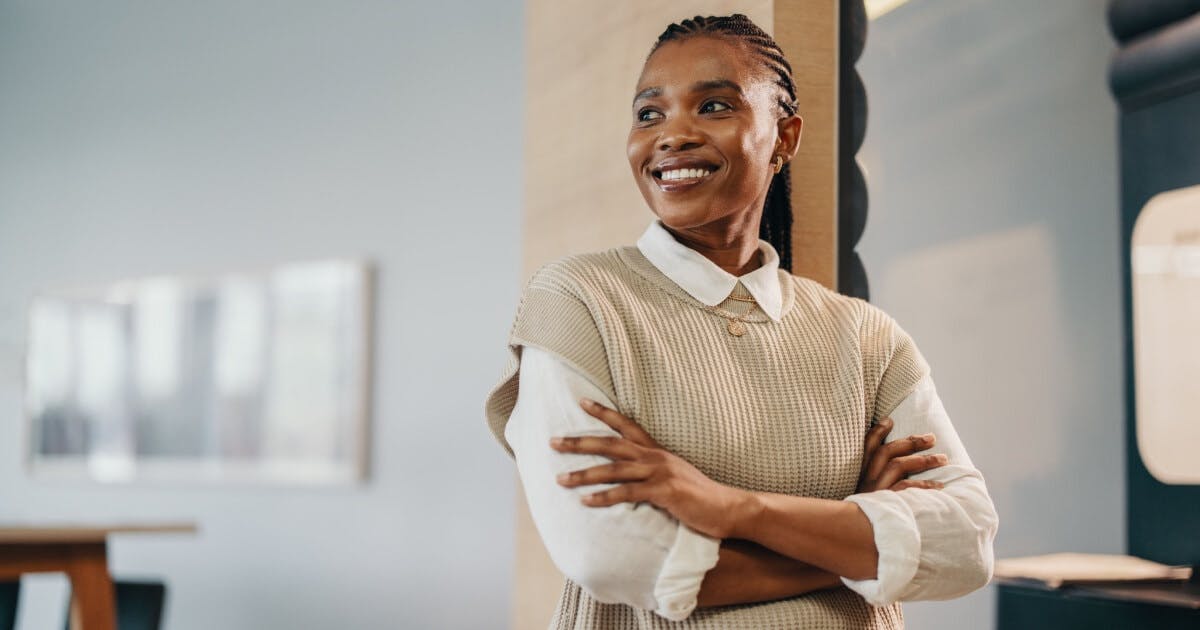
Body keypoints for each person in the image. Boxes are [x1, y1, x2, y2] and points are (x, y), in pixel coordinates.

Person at [484, 14, 997, 629]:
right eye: (650, 114)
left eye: (714, 106)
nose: (672, 135)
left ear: (785, 137)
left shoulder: (865, 338)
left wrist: (735, 510)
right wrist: (856, 536)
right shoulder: (578, 301)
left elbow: (966, 545)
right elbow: (612, 555)